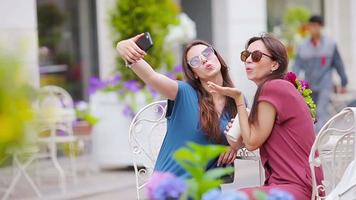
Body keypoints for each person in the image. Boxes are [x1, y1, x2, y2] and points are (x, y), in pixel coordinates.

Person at [207, 34, 324, 199]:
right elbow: (252, 140)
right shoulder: (279, 87)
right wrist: (236, 142)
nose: (248, 60)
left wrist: (239, 99)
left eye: (256, 56)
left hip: (294, 187)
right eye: (245, 55)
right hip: (300, 186)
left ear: (275, 64)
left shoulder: (273, 87)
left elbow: (252, 142)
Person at [116, 34, 238, 178]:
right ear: (194, 74)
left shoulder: (236, 100)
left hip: (205, 187)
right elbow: (151, 77)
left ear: (217, 56)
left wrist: (235, 145)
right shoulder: (184, 92)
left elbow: (252, 136)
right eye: (195, 61)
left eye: (207, 53)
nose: (204, 60)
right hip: (170, 185)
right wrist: (123, 47)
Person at [293, 15, 348, 132]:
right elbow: (297, 65)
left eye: (316, 26)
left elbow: (338, 64)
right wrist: (292, 81)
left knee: (322, 111)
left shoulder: (330, 44)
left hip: (325, 83)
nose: (313, 29)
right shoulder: (303, 46)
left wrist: (344, 82)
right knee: (310, 112)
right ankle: (313, 138)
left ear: (321, 27)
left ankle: (319, 140)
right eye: (311, 26)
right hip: (309, 84)